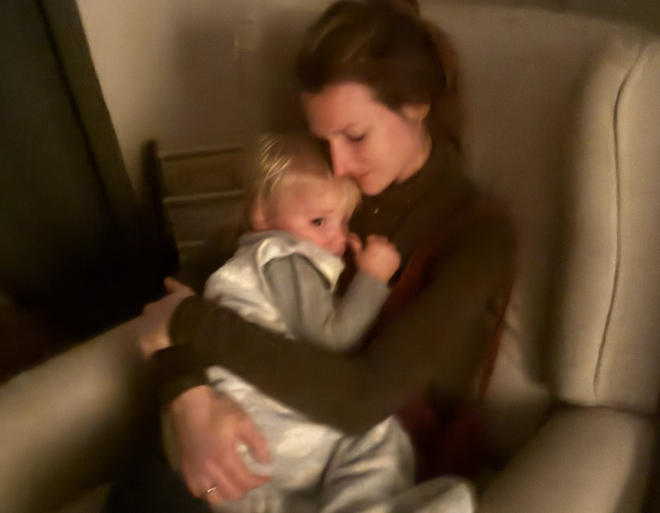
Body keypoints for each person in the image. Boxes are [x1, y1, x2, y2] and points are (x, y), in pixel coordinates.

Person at [104, 0, 514, 511]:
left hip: (350, 460)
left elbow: (364, 398)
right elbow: (190, 280)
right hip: (234, 427)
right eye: (323, 139)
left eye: (356, 136)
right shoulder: (315, 177)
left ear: (417, 105)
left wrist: (190, 321)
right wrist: (190, 402)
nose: (337, 164)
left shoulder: (478, 234)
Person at [164, 131, 439, 513]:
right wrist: (373, 277)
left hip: (240, 438)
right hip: (272, 423)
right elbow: (333, 336)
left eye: (344, 221)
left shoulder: (242, 259)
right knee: (380, 437)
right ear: (262, 214)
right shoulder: (285, 255)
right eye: (318, 221)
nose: (338, 238)